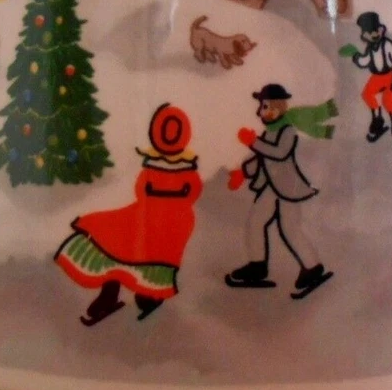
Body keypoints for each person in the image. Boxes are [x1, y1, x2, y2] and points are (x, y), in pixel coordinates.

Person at [55, 103, 203, 325]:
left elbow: (145, 190)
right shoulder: (177, 170)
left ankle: (142, 294)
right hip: (154, 218)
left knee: (135, 251)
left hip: (165, 221)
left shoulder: (166, 170)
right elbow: (152, 191)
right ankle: (117, 295)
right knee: (114, 244)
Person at [225, 84, 337, 299]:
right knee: (256, 221)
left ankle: (312, 267)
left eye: (265, 106)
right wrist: (243, 172)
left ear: (278, 107)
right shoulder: (270, 132)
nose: (260, 111)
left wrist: (253, 142)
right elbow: (262, 159)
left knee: (289, 228)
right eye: (261, 106)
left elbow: (279, 153)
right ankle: (257, 266)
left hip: (287, 189)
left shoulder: (287, 131)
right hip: (271, 187)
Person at [338, 11, 392, 145]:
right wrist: (355, 55)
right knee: (367, 94)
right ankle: (377, 120)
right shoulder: (370, 48)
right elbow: (364, 61)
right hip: (378, 77)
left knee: (388, 101)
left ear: (380, 30)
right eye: (369, 33)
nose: (373, 34)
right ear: (365, 35)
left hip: (390, 75)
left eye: (375, 31)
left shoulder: (387, 45)